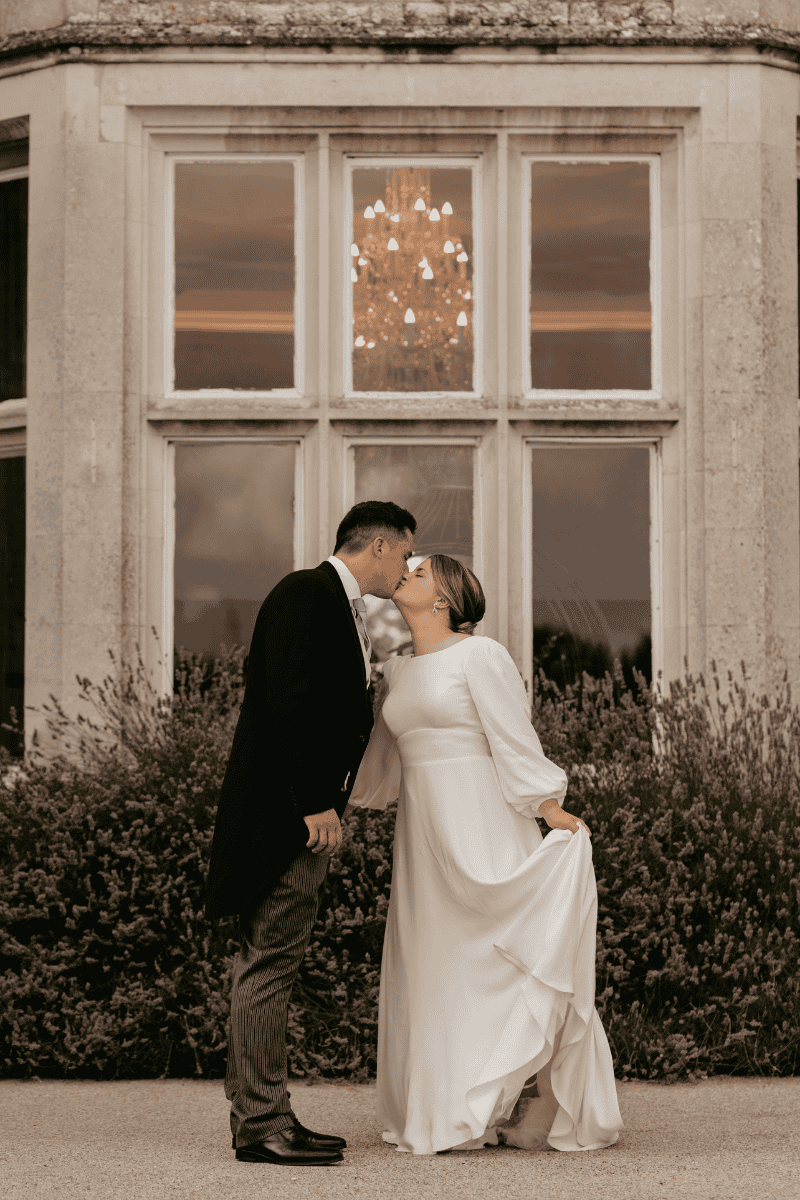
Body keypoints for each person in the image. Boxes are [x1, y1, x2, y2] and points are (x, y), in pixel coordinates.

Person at [347, 554, 623, 1156]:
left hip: (484, 823)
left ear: (444, 598)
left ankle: (537, 1101)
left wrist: (547, 806)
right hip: (424, 835)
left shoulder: (482, 656)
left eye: (419, 573)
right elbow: (381, 766)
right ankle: (445, 1110)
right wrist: (331, 798)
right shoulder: (395, 669)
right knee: (435, 960)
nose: (405, 574)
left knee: (503, 956)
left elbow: (513, 737)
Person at [205, 501, 416, 1166]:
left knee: (261, 964)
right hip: (286, 821)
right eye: (405, 553)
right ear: (377, 546)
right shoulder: (307, 594)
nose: (407, 567)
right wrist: (317, 805)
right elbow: (289, 704)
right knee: (269, 965)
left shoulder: (338, 604)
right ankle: (263, 1123)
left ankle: (262, 1116)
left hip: (289, 814)